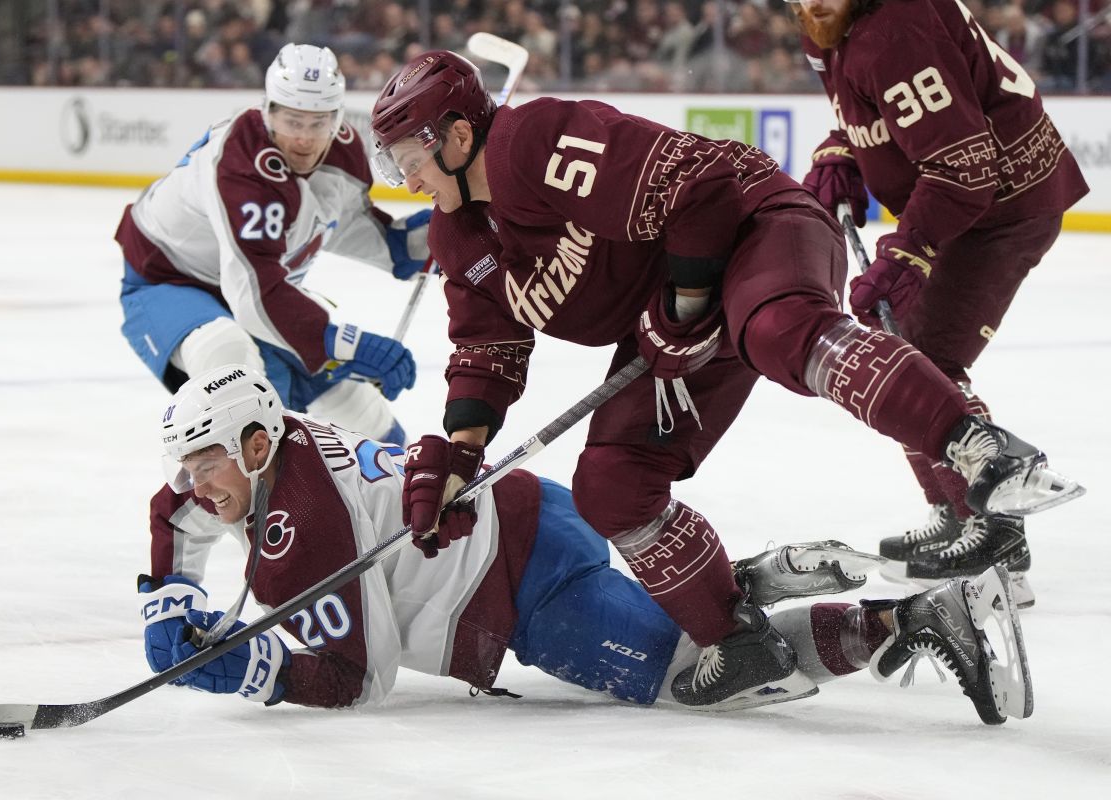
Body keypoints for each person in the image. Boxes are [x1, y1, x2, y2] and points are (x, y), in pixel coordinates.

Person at [365, 50, 1081, 707]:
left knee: (778, 330)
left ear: (457, 137)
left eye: (409, 158)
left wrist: (684, 305)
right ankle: (738, 640)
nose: (407, 180)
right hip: (675, 318)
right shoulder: (457, 237)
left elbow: (699, 188)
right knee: (611, 482)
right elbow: (486, 351)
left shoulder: (534, 140)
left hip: (755, 228)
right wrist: (457, 460)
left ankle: (976, 445)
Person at [139, 364, 1031, 725]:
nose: (195, 486)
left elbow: (353, 679)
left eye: (206, 463)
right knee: (697, 629)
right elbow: (174, 508)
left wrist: (248, 668)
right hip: (531, 514)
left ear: (256, 445)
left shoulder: (294, 532)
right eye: (189, 469)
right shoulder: (284, 434)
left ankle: (921, 615)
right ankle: (758, 575)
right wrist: (165, 591)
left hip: (523, 590)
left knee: (699, 679)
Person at [792, 0, 1089, 606]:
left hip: (1003, 208)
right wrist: (842, 152)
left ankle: (997, 538)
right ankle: (956, 513)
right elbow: (875, 112)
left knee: (924, 362)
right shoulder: (833, 26)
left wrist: (908, 254)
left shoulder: (894, 30)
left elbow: (964, 167)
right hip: (969, 199)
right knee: (903, 355)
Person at [116, 43, 426, 445]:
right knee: (231, 366)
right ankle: (225, 497)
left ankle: (400, 496)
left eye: (318, 123)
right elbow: (256, 293)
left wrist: (415, 244)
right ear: (268, 111)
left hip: (254, 290)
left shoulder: (345, 153)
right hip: (168, 282)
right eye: (291, 121)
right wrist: (349, 343)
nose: (303, 139)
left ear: (336, 119)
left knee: (360, 413)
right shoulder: (241, 162)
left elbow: (344, 225)